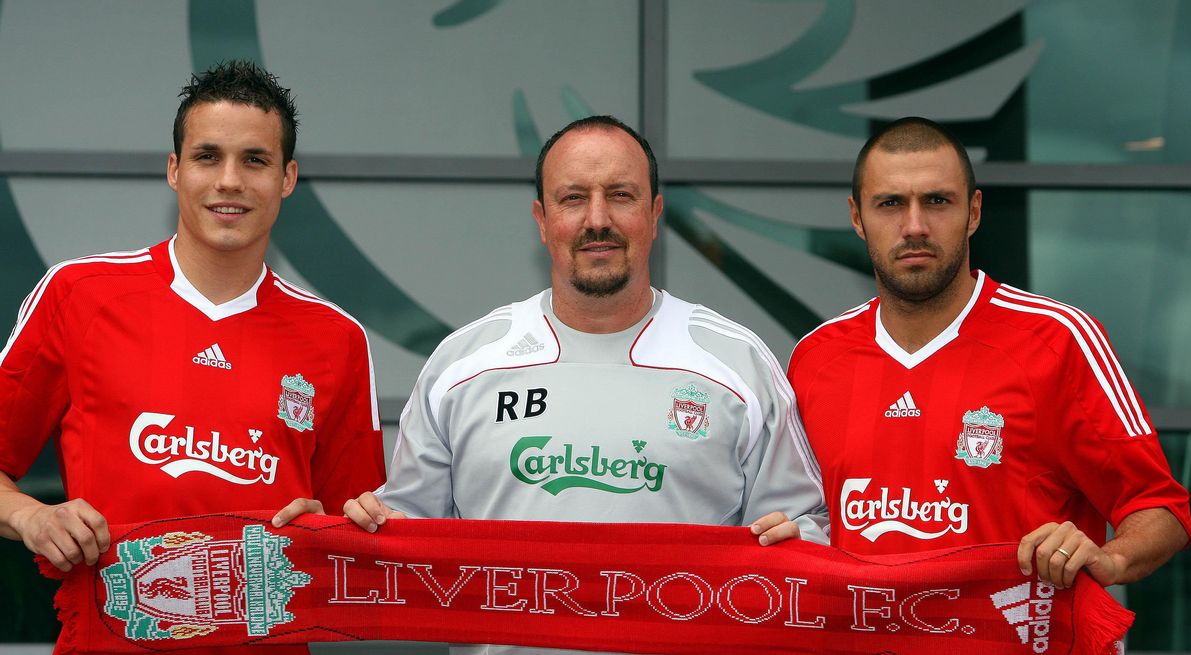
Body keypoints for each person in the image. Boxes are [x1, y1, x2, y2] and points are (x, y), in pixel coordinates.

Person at [321, 115, 827, 654]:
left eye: (621, 195)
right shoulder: (462, 365)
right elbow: (406, 541)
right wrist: (355, 530)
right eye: (573, 198)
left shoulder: (737, 363)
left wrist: (800, 542)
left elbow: (803, 539)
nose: (598, 219)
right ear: (541, 219)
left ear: (654, 214)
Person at [0, 60, 384, 653]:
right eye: (208, 156)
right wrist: (33, 517)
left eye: (255, 160)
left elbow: (362, 544)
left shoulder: (337, 338)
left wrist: (334, 535)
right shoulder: (79, 295)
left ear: (288, 178)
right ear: (175, 170)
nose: (230, 180)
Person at [787, 116, 1191, 591]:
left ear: (974, 211)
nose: (914, 226)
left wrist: (1109, 559)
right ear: (857, 217)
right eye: (890, 203)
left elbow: (1160, 508)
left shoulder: (1057, 339)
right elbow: (806, 517)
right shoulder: (815, 357)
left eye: (937, 201)